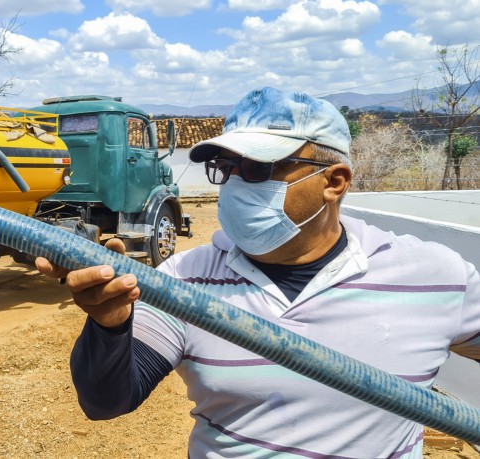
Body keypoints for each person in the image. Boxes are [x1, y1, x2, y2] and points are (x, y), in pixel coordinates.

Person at [35, 87, 480, 457]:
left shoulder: (433, 274)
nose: (233, 185)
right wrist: (109, 324)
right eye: (224, 168)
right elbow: (105, 402)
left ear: (334, 181)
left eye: (256, 168)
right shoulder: (184, 280)